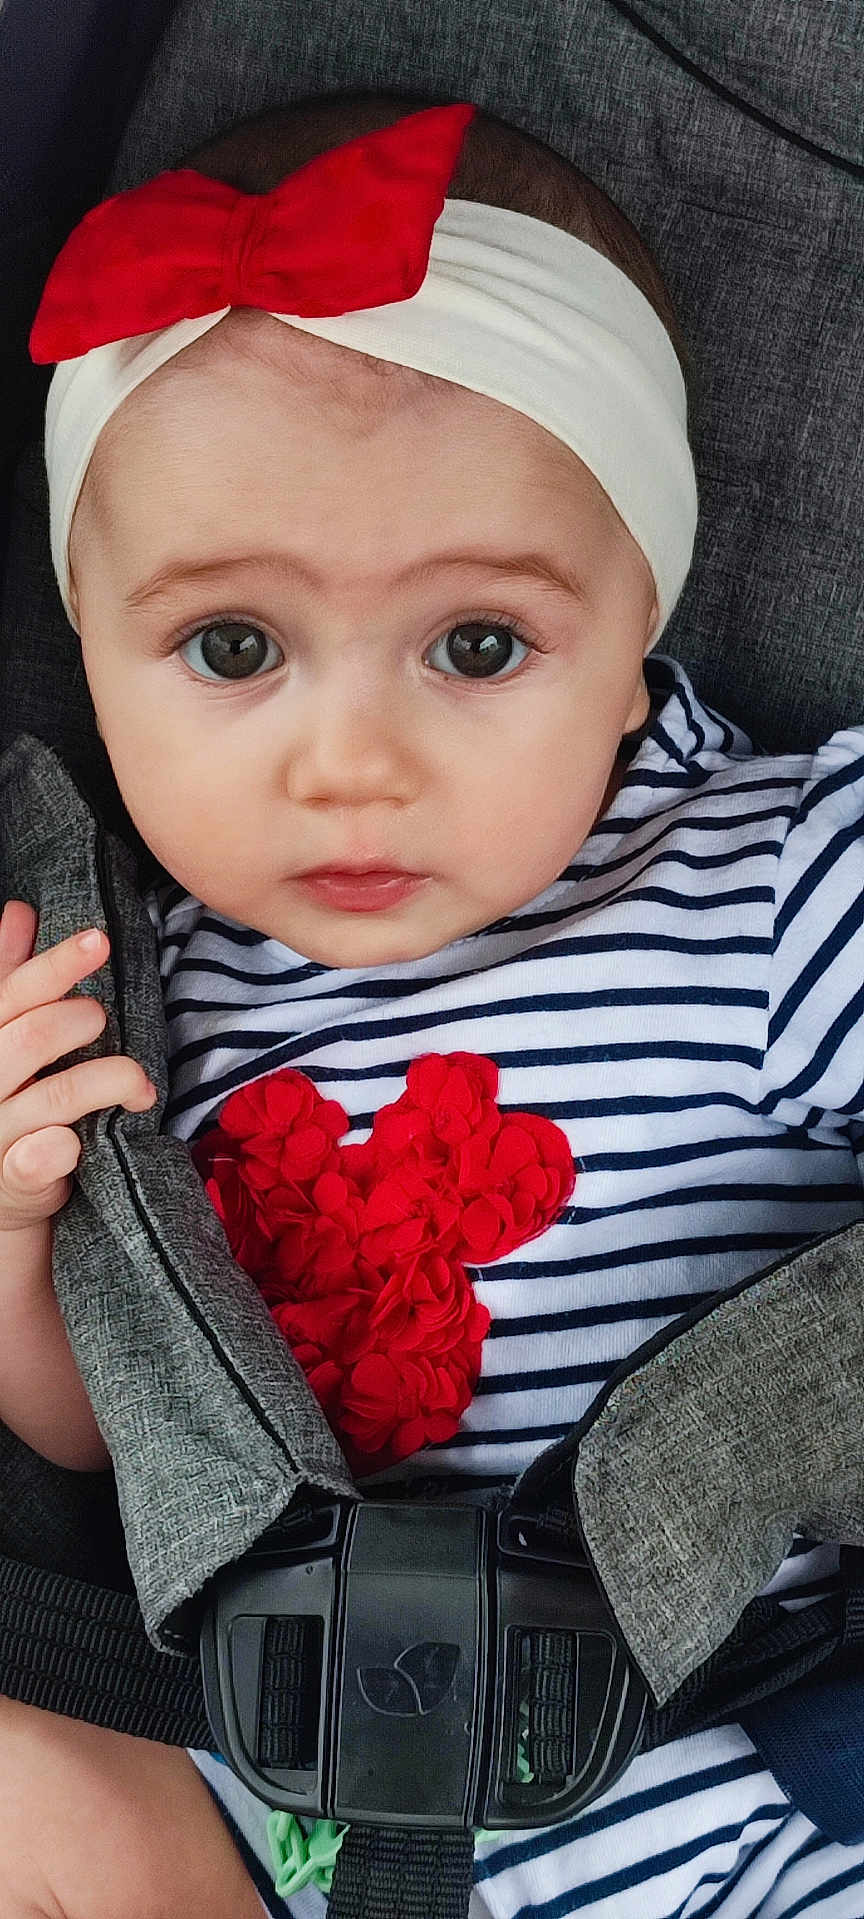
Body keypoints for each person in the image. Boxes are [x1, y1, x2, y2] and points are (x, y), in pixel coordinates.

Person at [1, 88, 863, 1919]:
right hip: (275, 1803)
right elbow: (110, 1437)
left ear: (639, 635)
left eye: (479, 647)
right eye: (232, 649)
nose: (353, 762)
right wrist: (13, 1231)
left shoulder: (773, 880)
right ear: (89, 644)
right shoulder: (136, 995)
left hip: (730, 1786)